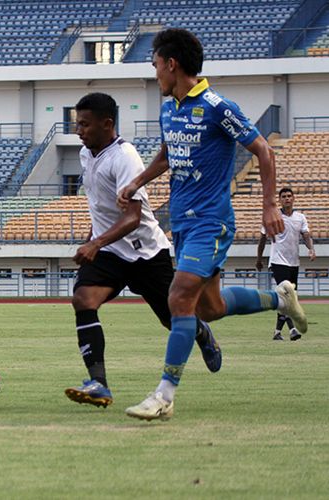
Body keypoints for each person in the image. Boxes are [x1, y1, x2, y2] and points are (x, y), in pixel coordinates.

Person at [118, 28, 307, 421]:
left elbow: (263, 149)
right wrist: (138, 180)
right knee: (211, 307)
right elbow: (170, 153)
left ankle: (164, 394)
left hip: (212, 222)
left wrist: (269, 206)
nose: (154, 74)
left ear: (172, 64)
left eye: (155, 65)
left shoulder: (218, 106)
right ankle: (280, 299)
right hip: (183, 225)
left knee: (179, 297)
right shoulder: (170, 108)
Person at [64, 92, 221, 410]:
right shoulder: (86, 154)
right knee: (83, 299)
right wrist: (93, 236)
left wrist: (95, 243)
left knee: (173, 319)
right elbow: (100, 205)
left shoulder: (124, 157)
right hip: (111, 253)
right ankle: (100, 385)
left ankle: (201, 332)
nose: (78, 130)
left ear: (107, 124)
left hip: (146, 252)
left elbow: (133, 218)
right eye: (76, 124)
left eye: (84, 124)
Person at [256, 187, 315, 341]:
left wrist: (311, 249)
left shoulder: (300, 217)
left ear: (293, 198)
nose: (287, 198)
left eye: (289, 196)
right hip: (277, 261)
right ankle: (293, 330)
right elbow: (262, 238)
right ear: (280, 199)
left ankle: (277, 332)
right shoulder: (273, 217)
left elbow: (306, 235)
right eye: (284, 196)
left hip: (293, 262)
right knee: (288, 295)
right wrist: (259, 259)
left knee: (288, 298)